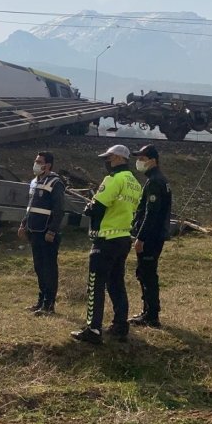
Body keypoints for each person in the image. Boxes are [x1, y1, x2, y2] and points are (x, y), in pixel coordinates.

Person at [71, 145, 141, 344]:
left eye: (108, 158)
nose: (106, 162)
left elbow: (98, 205)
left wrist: (89, 207)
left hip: (106, 239)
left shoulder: (113, 179)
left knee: (95, 284)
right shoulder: (135, 183)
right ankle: (120, 326)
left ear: (119, 158)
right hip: (123, 238)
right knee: (117, 283)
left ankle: (93, 329)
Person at [129, 144, 172, 328]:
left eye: (142, 158)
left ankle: (151, 315)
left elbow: (151, 213)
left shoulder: (155, 181)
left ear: (153, 161)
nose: (139, 162)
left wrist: (141, 237)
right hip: (156, 235)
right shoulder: (159, 179)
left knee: (147, 274)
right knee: (146, 273)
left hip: (151, 237)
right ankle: (148, 311)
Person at [18, 151, 66, 315]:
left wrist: (52, 230)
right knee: (39, 267)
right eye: (36, 161)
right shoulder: (34, 182)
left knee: (49, 268)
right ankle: (41, 301)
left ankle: (49, 304)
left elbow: (59, 209)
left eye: (39, 161)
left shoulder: (55, 182)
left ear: (48, 165)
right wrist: (23, 224)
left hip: (46, 232)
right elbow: (30, 207)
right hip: (34, 231)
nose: (36, 164)